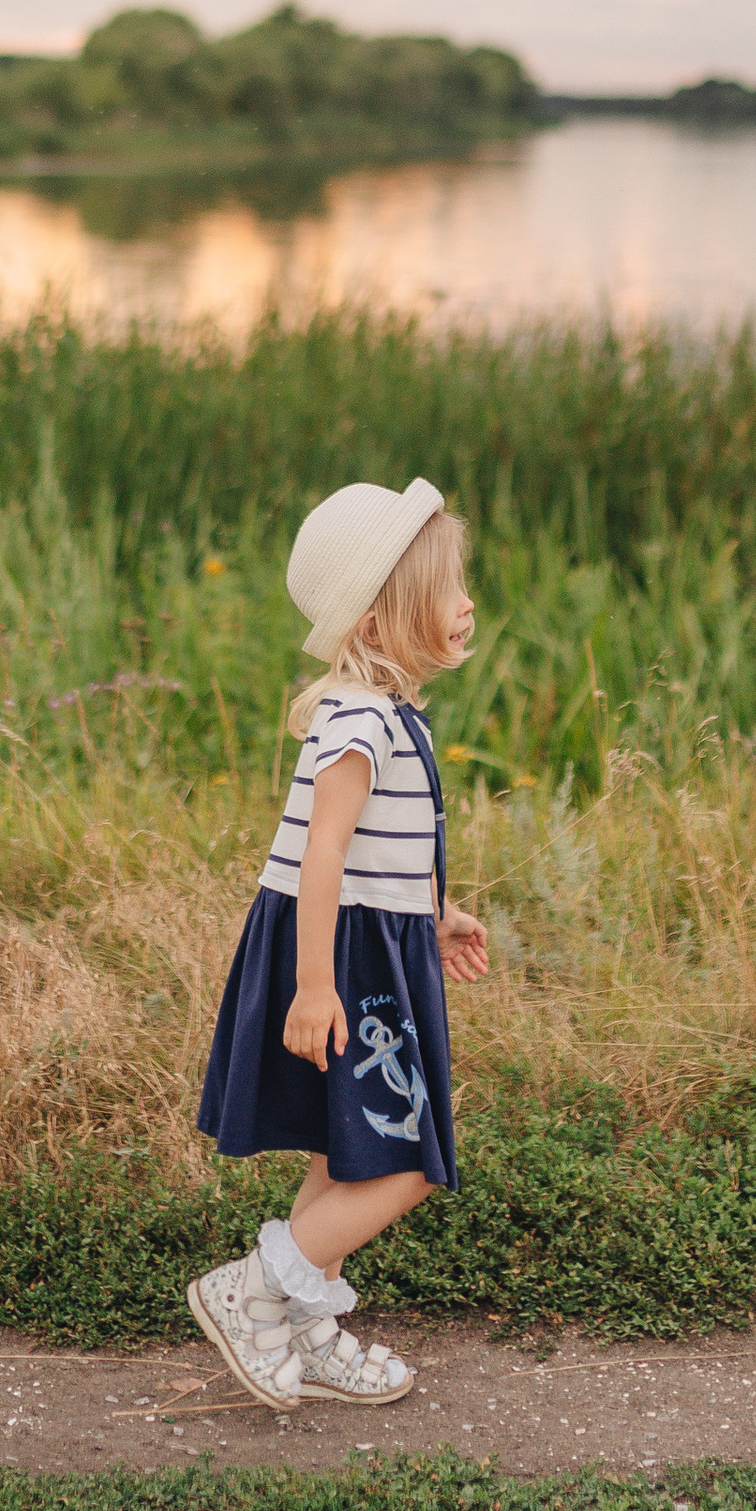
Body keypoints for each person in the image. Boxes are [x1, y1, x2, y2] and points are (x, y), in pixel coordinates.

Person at [190, 476, 489, 1411]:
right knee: (403, 1163)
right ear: (382, 617)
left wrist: (432, 914)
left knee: (346, 1152)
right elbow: (323, 854)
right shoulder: (360, 719)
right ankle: (254, 1291)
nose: (467, 602)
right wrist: (315, 987)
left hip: (376, 945)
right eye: (448, 587)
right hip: (344, 964)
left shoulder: (386, 711)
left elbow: (372, 853)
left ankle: (300, 1323)